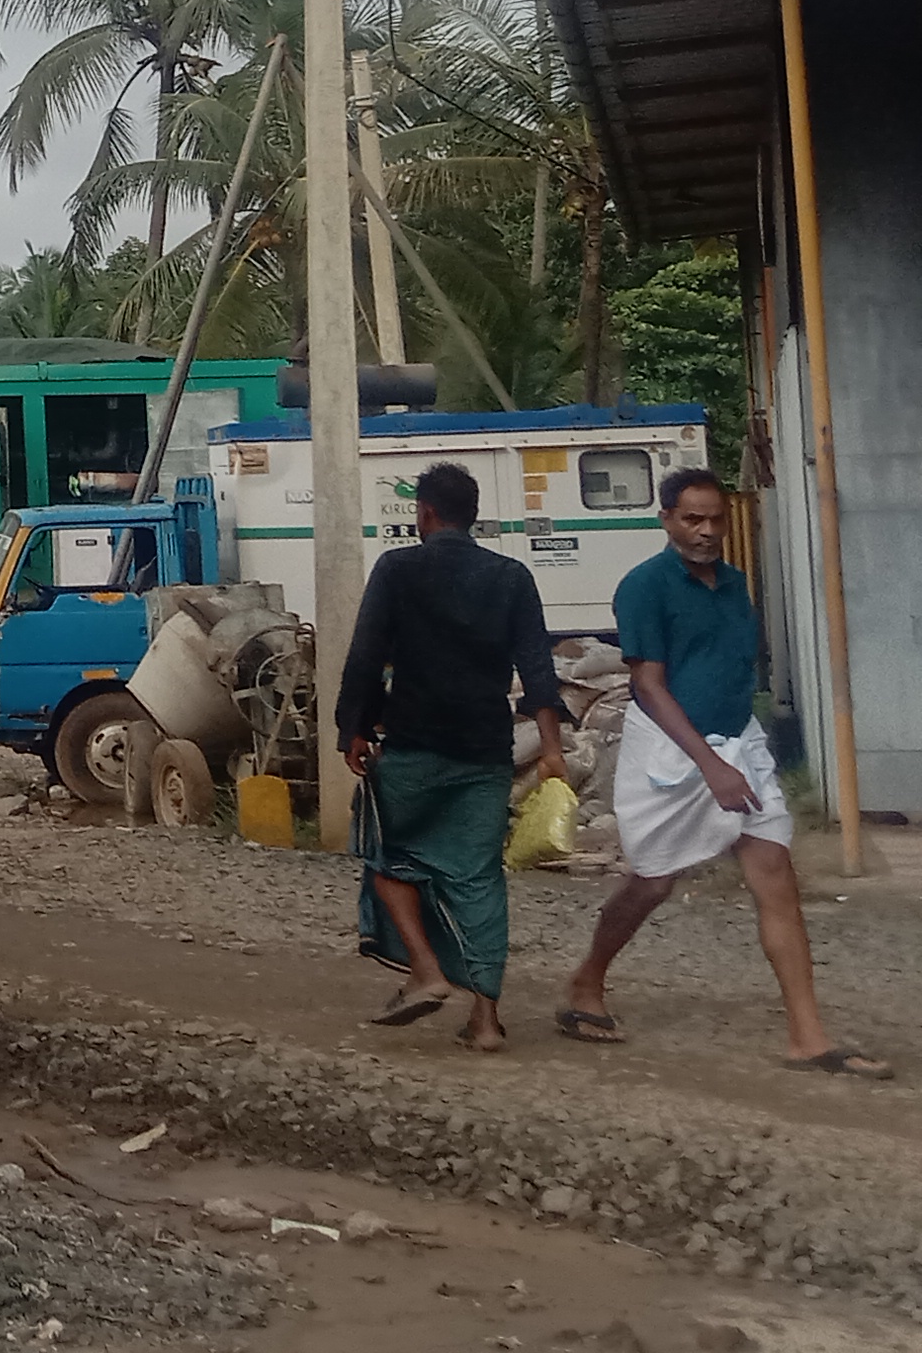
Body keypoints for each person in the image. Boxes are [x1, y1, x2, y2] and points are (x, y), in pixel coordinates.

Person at [556, 467, 890, 1076]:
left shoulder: (735, 585)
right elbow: (648, 685)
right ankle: (587, 981)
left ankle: (808, 1037)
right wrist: (708, 765)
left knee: (775, 875)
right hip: (668, 755)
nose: (706, 531)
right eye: (692, 519)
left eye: (715, 519)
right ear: (666, 520)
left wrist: (734, 752)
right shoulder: (644, 586)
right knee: (653, 883)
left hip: (740, 745)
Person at [335, 460, 568, 1052]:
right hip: (485, 751)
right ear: (473, 515)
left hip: (414, 745)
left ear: (426, 512)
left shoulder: (397, 569)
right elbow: (538, 668)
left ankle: (426, 970)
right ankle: (485, 1022)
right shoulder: (511, 577)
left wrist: (352, 729)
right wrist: (552, 750)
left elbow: (366, 655)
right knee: (479, 879)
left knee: (386, 857)